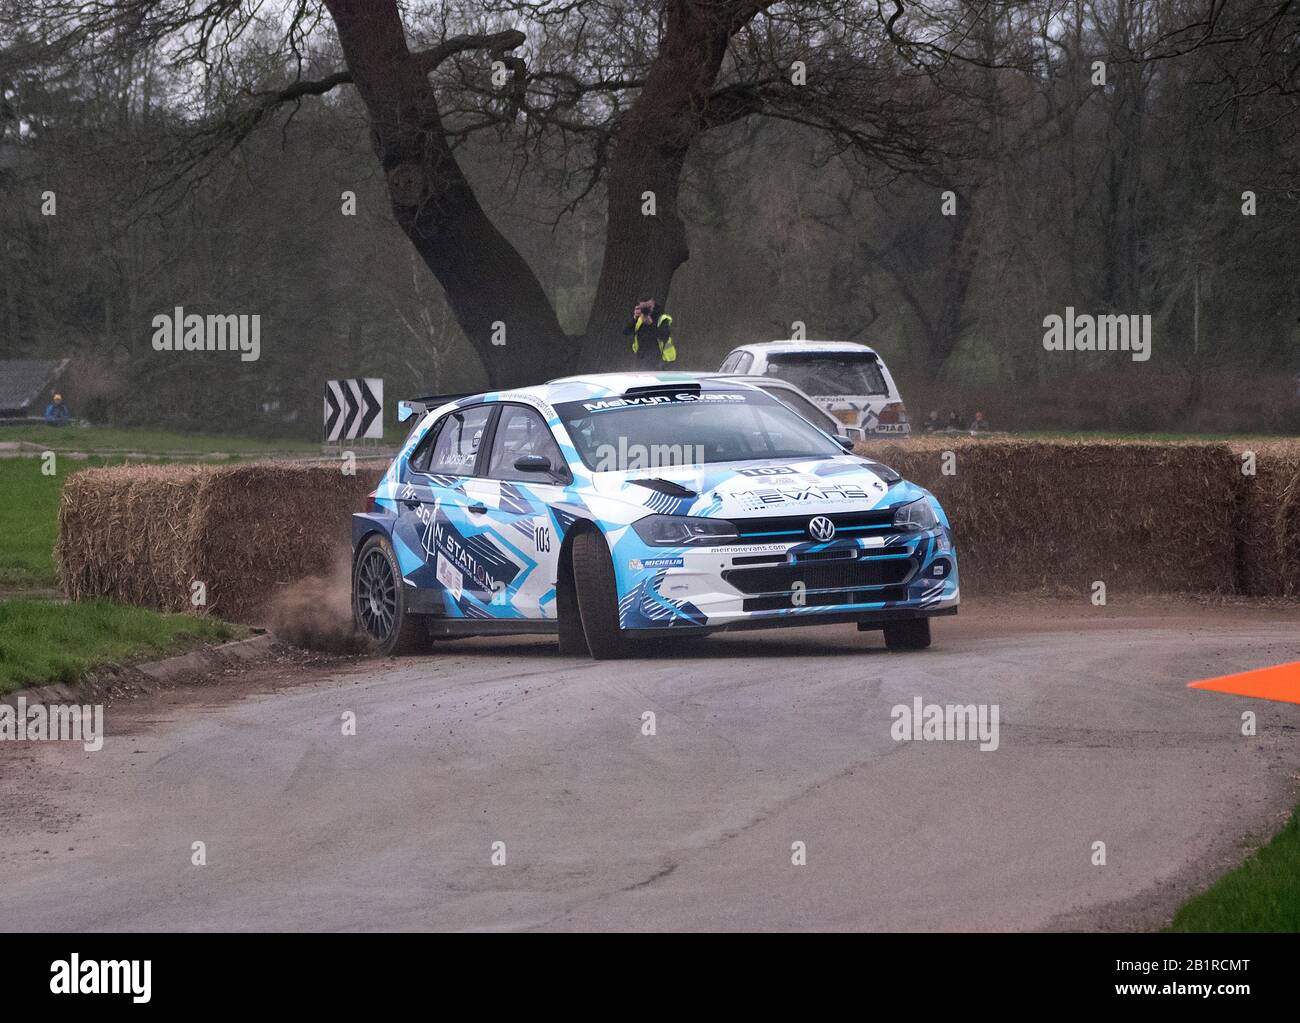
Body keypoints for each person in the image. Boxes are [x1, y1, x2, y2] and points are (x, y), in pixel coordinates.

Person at [623, 298, 676, 368]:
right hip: (641, 355)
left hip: (659, 357)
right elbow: (626, 332)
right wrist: (634, 318)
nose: (646, 310)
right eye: (643, 308)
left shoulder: (661, 318)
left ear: (653, 304)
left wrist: (651, 324)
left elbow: (665, 335)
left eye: (648, 307)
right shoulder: (640, 318)